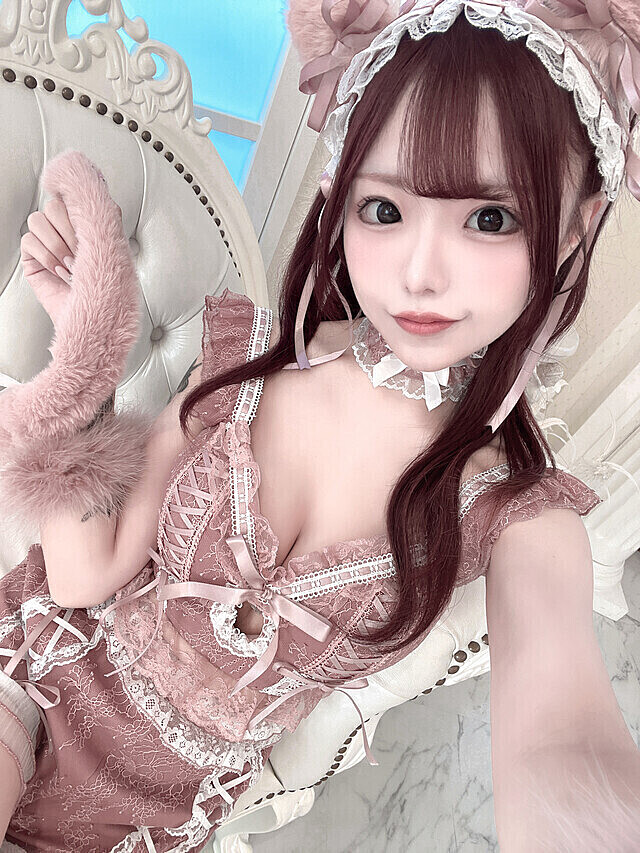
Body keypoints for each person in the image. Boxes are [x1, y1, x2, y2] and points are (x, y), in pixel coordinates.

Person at [0, 0, 639, 850]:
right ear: (339, 196)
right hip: (36, 679)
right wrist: (88, 352)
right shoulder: (242, 360)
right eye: (385, 210)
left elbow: (562, 741)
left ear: (574, 229)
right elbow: (84, 578)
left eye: (491, 218)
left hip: (154, 818)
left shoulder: (517, 514)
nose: (419, 273)